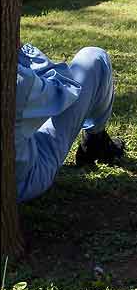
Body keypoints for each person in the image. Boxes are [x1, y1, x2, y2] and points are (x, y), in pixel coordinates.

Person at [16, 42, 125, 203]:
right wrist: (22, 51)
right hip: (24, 182)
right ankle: (95, 139)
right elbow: (64, 89)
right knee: (94, 57)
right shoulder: (15, 79)